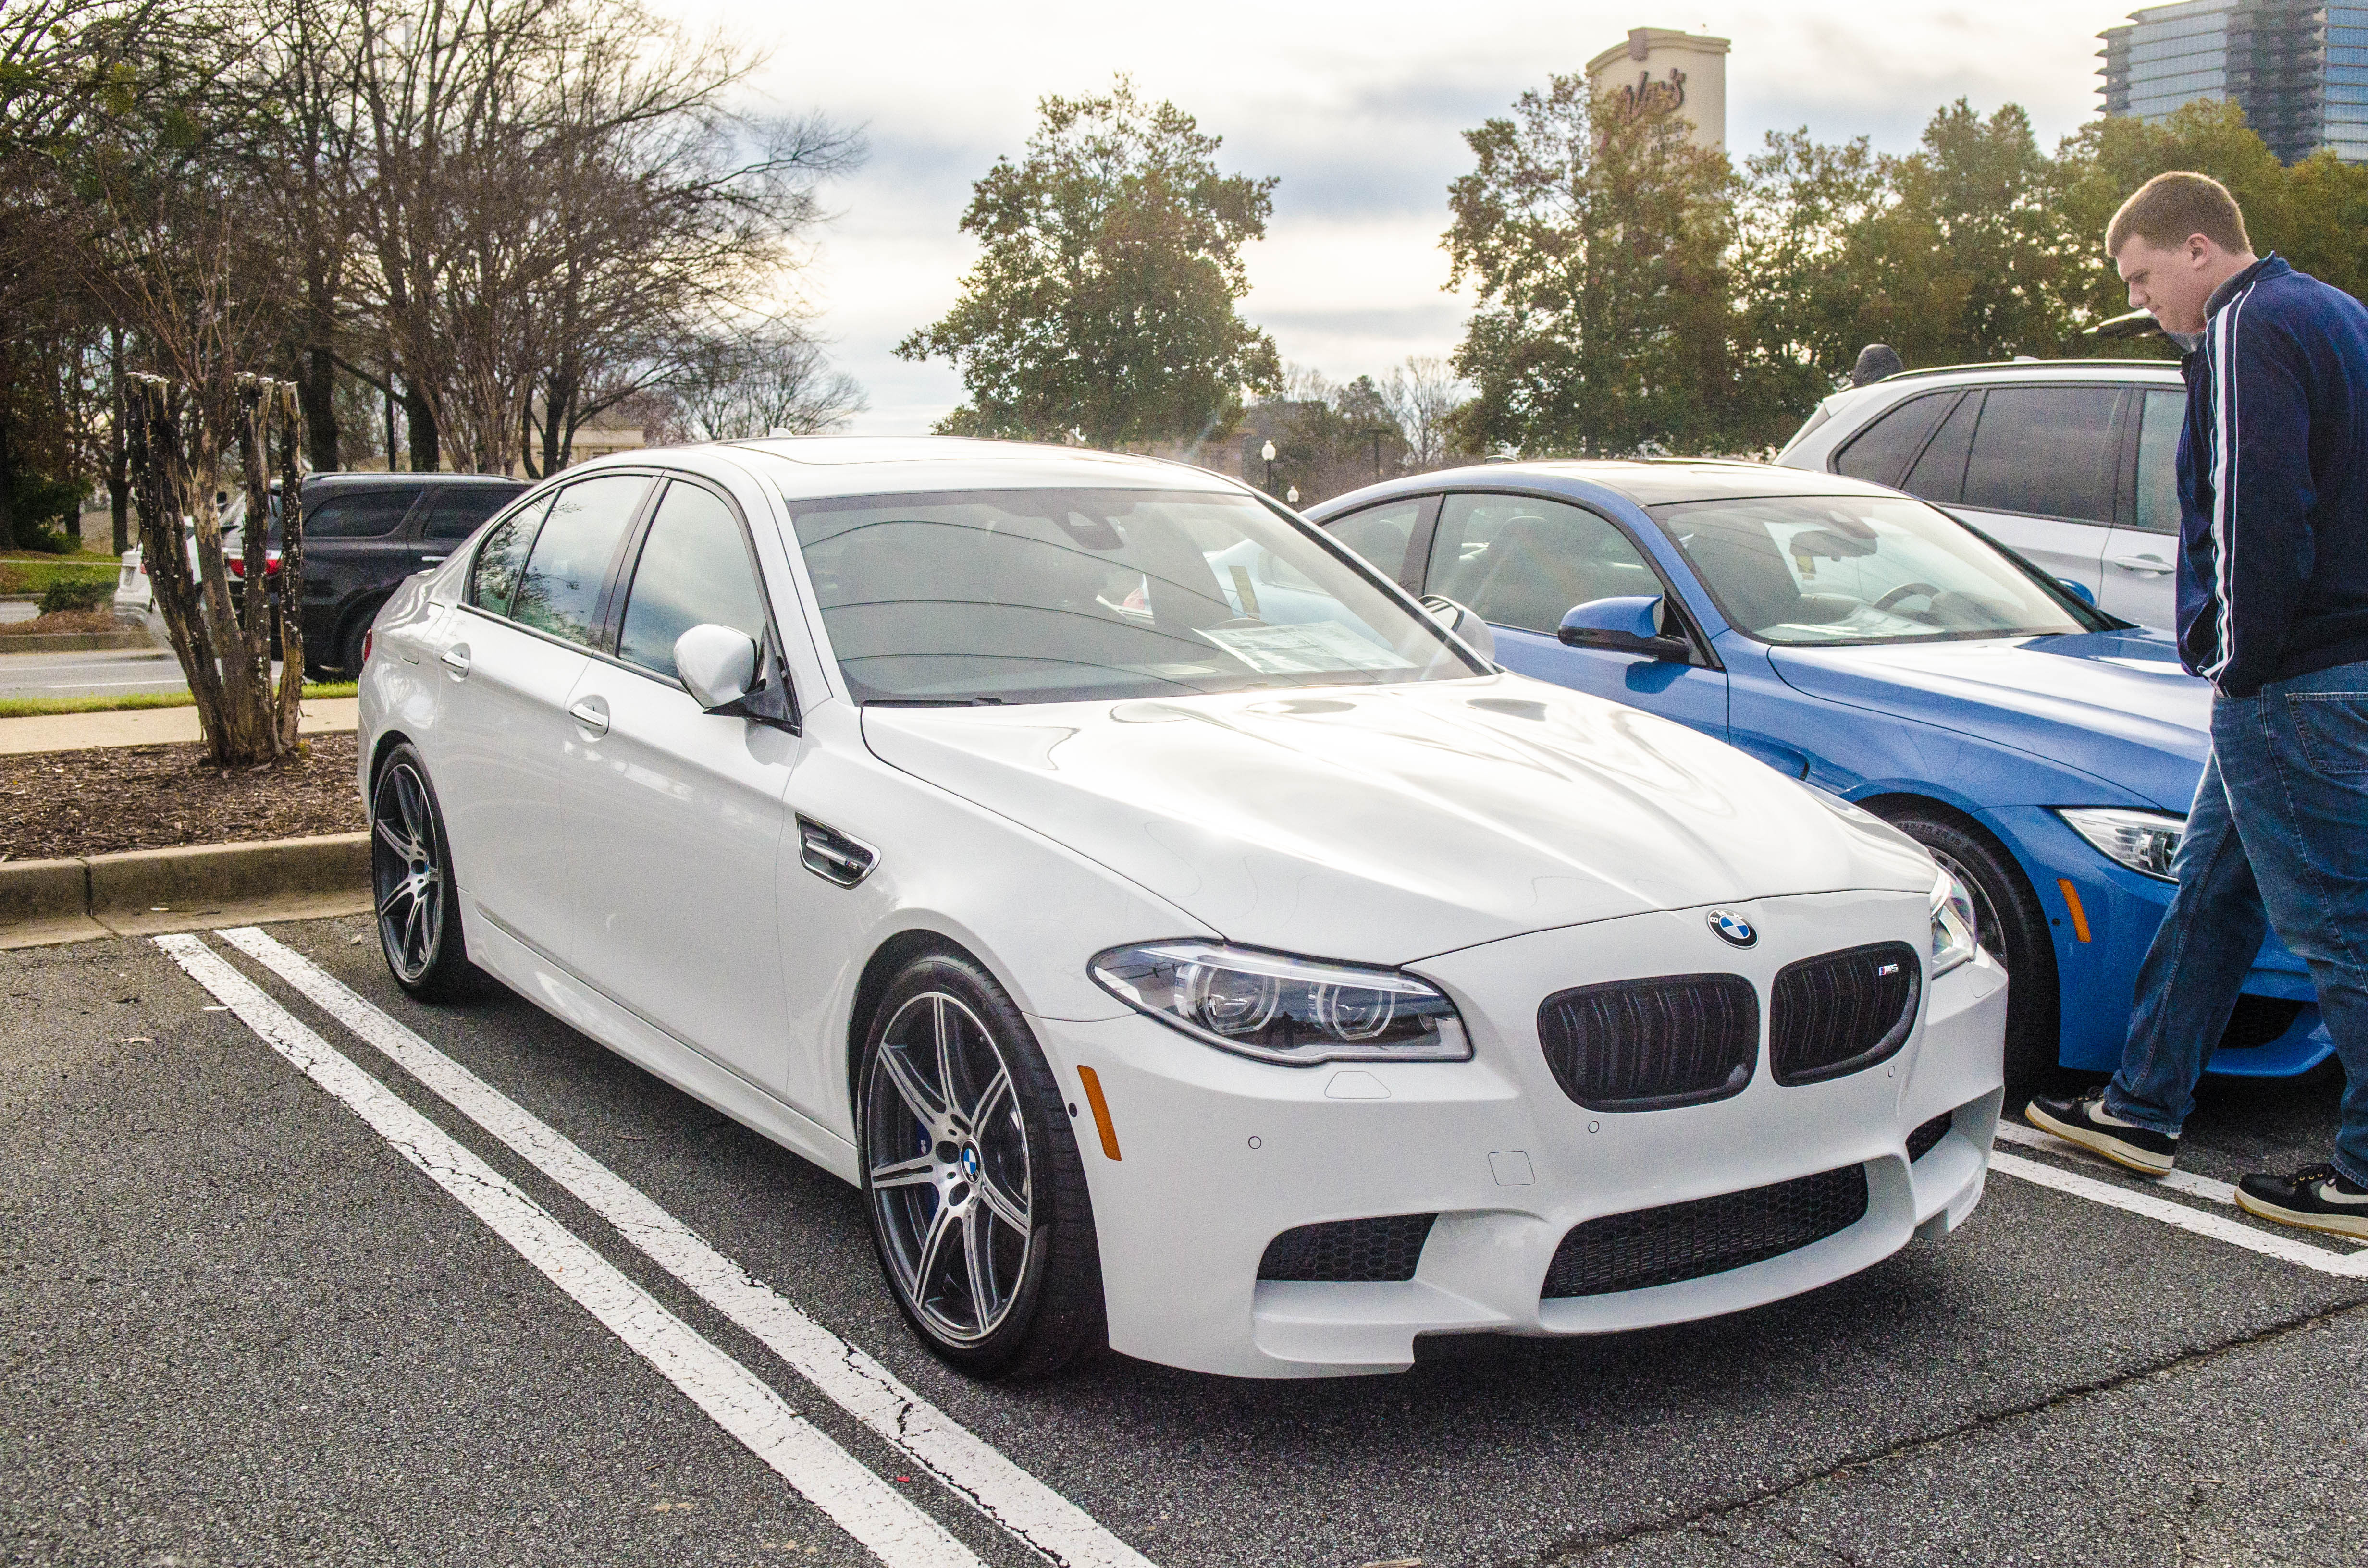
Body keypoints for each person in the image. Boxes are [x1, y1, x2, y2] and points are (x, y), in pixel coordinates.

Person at [2026, 172, 2368, 1239]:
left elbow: (2254, 510)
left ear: (2196, 251)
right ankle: (2140, 1107)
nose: (2143, 304)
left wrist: (2233, 660)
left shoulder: (2241, 326)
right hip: (2335, 667)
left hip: (2290, 679)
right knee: (2212, 890)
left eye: (2140, 278)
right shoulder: (2338, 314)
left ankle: (2363, 1177)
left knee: (2340, 928)